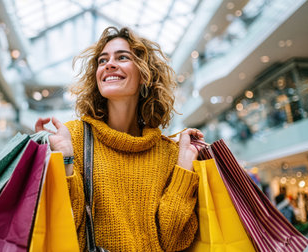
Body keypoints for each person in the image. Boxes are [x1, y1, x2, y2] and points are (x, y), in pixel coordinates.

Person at [35, 26, 204, 251]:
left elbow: (172, 241)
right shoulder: (72, 136)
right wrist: (64, 158)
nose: (109, 64)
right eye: (103, 60)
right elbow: (65, 227)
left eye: (122, 57)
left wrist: (184, 166)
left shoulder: (169, 153)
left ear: (145, 75)